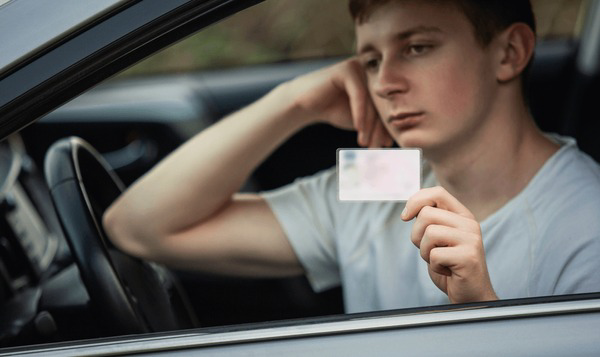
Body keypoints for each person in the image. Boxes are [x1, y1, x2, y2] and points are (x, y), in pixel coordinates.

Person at [103, 0, 600, 313]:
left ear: (510, 52)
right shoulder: (387, 177)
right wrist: (292, 103)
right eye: (370, 59)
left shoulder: (586, 223)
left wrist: (483, 311)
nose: (385, 82)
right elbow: (138, 226)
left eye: (418, 47)